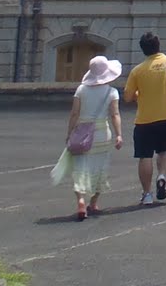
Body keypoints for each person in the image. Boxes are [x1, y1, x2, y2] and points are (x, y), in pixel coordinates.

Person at [52, 54, 123, 220]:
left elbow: (74, 113)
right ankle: (94, 202)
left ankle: (81, 200)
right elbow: (115, 114)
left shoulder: (81, 90)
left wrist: (69, 133)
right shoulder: (112, 92)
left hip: (82, 133)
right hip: (102, 133)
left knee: (81, 168)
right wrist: (119, 134)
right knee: (100, 167)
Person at [123, 32, 166, 206]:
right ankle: (161, 176)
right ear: (158, 45)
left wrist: (140, 94)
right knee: (164, 150)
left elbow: (128, 97)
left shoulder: (138, 70)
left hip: (145, 119)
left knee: (145, 156)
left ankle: (147, 194)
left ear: (143, 49)